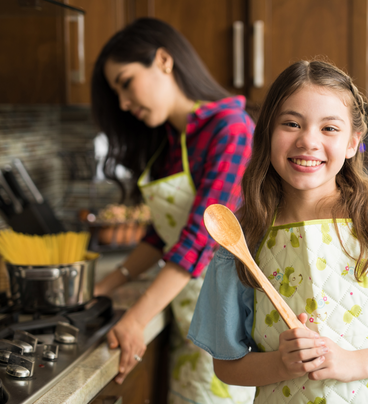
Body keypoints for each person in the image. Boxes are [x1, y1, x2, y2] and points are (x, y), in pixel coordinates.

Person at [188, 60, 368, 403]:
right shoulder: (242, 236)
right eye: (291, 124)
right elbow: (227, 365)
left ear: (353, 142)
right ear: (267, 133)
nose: (308, 141)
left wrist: (351, 363)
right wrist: (281, 364)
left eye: (329, 128)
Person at [91, 17, 255, 404]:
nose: (123, 103)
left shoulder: (230, 129)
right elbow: (162, 234)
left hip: (228, 314)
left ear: (163, 60)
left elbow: (201, 236)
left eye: (126, 82)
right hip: (187, 313)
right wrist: (104, 286)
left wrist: (136, 317)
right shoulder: (169, 141)